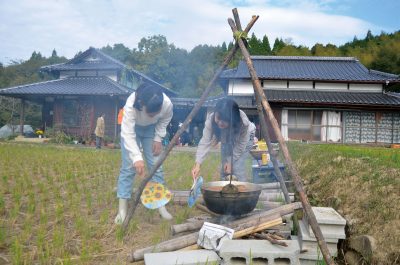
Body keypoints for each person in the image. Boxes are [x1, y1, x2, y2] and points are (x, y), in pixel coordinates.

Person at [115, 83, 174, 224]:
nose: (154, 115)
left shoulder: (166, 103)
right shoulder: (131, 105)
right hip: (132, 130)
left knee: (156, 166)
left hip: (150, 130)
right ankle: (122, 209)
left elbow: (165, 118)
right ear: (142, 104)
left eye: (156, 112)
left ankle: (161, 204)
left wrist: (158, 138)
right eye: (151, 113)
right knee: (128, 167)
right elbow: (127, 133)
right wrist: (136, 157)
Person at [191, 98, 256, 182]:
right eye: (218, 118)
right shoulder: (211, 120)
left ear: (233, 119)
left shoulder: (243, 123)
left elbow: (240, 146)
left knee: (236, 167)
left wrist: (230, 162)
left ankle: (241, 189)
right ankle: (224, 188)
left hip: (245, 138)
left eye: (225, 120)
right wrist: (198, 164)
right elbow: (204, 142)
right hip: (227, 136)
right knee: (224, 166)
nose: (220, 122)